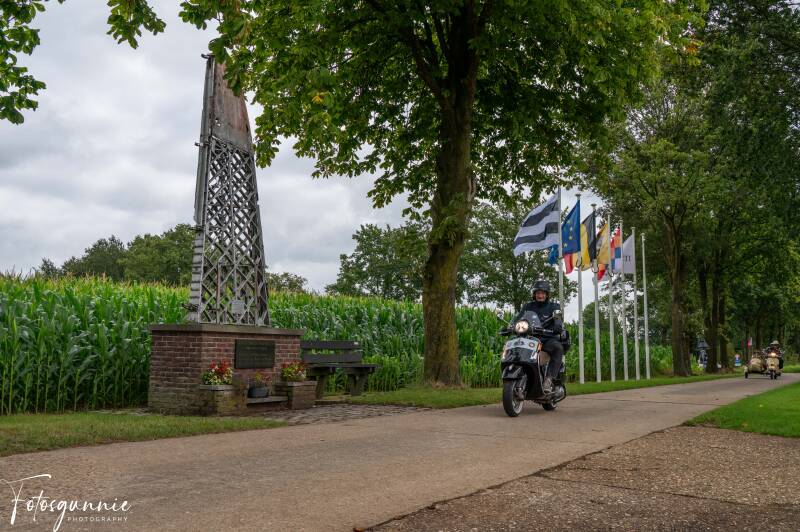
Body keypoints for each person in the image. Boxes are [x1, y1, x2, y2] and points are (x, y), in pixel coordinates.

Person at [514, 279, 567, 394]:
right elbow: (518, 318)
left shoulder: (554, 306)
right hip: (529, 339)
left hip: (546, 338)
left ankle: (548, 379)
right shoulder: (528, 306)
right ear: (534, 294)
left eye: (543, 293)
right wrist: (511, 326)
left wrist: (557, 326)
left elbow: (558, 318)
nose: (540, 295)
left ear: (547, 294)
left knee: (557, 348)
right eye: (538, 293)